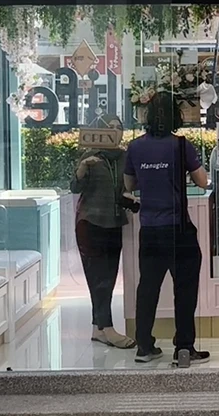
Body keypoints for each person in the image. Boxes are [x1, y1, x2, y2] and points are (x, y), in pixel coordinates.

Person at [123, 92, 211, 365]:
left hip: (149, 229)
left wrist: (150, 177)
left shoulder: (135, 147)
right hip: (178, 229)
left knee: (147, 288)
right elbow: (202, 181)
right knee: (184, 289)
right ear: (176, 116)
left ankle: (144, 347)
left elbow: (129, 185)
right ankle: (184, 347)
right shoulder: (181, 145)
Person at [72, 115, 134, 349]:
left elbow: (130, 185)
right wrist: (82, 169)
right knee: (98, 279)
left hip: (115, 221)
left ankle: (98, 329)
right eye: (109, 129)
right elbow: (74, 187)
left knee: (108, 277)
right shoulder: (90, 156)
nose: (114, 133)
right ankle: (107, 328)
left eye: (118, 128)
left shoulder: (125, 157)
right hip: (90, 223)